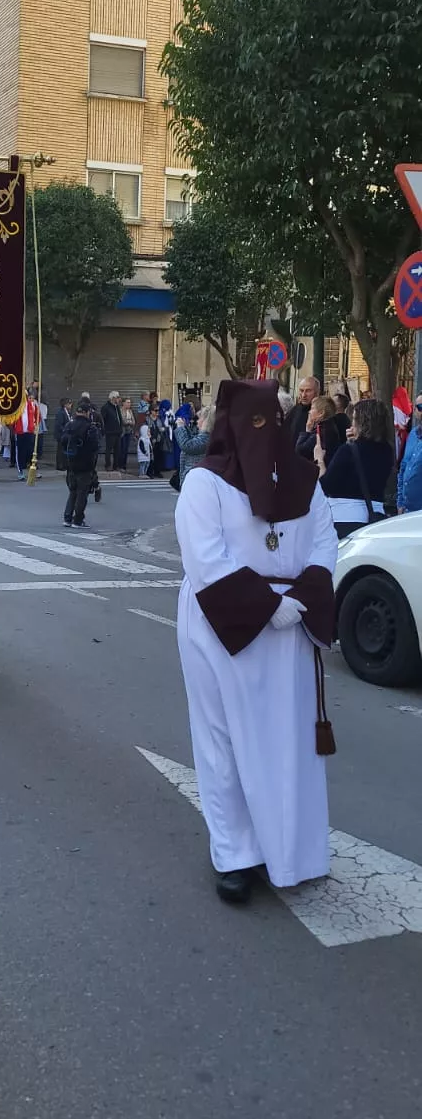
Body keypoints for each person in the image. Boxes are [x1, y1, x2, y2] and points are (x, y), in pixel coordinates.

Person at [175, 379, 338, 905]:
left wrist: (305, 596)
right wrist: (265, 605)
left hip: (290, 629)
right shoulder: (205, 484)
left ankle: (289, 850)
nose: (263, 433)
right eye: (255, 422)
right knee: (224, 740)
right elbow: (205, 557)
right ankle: (235, 855)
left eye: (274, 421)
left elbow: (325, 542)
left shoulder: (304, 481)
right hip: (226, 625)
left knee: (288, 743)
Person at [318, 398, 394, 538]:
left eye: (354, 419)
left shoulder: (348, 450)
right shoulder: (387, 451)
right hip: (375, 516)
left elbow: (326, 486)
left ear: (361, 422)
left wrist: (320, 461)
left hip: (345, 518)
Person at [63, 400, 100, 527]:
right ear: (86, 412)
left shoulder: (69, 425)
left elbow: (62, 441)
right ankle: (78, 520)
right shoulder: (90, 427)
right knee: (82, 493)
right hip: (85, 464)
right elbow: (95, 446)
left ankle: (67, 518)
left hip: (71, 463)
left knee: (73, 491)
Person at [296, 394, 342, 472]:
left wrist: (307, 431)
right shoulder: (330, 426)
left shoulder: (321, 431)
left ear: (321, 413)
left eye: (312, 408)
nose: (309, 412)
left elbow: (300, 450)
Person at [177, 403, 214, 485]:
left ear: (206, 422)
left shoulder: (207, 438)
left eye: (200, 418)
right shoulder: (206, 436)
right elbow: (191, 439)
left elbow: (187, 445)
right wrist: (185, 427)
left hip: (196, 479)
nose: (197, 421)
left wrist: (181, 428)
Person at [13, 385, 45, 479]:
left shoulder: (32, 405)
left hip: (30, 431)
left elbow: (38, 416)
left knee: (31, 451)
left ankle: (33, 470)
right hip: (20, 432)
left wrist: (35, 425)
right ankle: (20, 472)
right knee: (20, 452)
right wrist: (13, 428)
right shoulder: (16, 406)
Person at [397, 393, 422, 514]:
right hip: (407, 511)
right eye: (420, 407)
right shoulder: (412, 435)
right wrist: (400, 502)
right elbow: (403, 468)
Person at [283, 375, 320, 447]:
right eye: (301, 390)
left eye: (308, 391)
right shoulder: (295, 410)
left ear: (317, 392)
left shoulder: (321, 413)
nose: (303, 395)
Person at [100, 392, 124, 472]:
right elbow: (102, 420)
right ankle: (108, 465)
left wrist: (121, 428)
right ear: (113, 398)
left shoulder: (116, 407)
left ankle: (116, 465)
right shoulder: (106, 407)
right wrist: (104, 429)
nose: (119, 399)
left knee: (117, 450)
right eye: (117, 397)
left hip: (118, 432)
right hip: (110, 432)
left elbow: (119, 418)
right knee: (109, 449)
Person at [53, 398, 73, 469]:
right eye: (69, 404)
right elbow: (59, 425)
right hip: (61, 435)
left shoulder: (68, 412)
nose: (71, 405)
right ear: (65, 405)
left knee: (64, 450)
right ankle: (60, 465)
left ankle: (65, 464)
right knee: (60, 450)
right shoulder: (61, 413)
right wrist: (66, 430)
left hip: (66, 435)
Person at [119, 397, 135, 472]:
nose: (129, 404)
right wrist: (129, 422)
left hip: (129, 431)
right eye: (128, 402)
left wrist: (129, 422)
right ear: (123, 403)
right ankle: (120, 465)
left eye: (130, 402)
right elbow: (123, 421)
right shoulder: (120, 410)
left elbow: (133, 421)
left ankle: (124, 465)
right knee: (122, 448)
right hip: (122, 432)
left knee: (126, 449)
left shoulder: (130, 411)